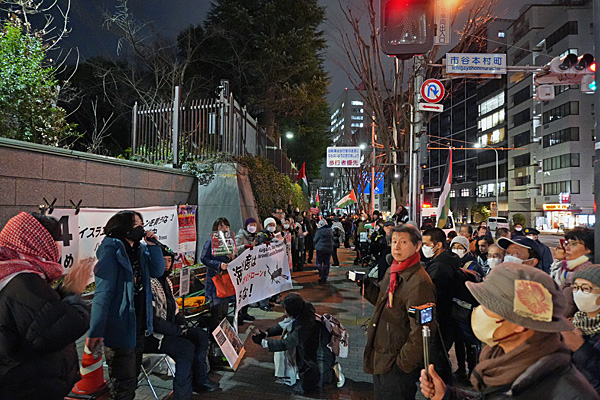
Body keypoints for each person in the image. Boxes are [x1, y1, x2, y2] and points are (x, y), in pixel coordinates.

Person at [419, 263, 600, 400]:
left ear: (519, 322)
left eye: (489, 307)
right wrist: (448, 395)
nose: (479, 311)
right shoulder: (501, 361)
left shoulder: (566, 391)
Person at [0, 212, 91, 400]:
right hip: (26, 386)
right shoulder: (22, 280)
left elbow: (39, 316)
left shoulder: (11, 269)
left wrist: (63, 291)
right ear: (36, 242)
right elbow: (60, 327)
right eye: (55, 242)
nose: (58, 248)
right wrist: (74, 293)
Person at [87, 210, 165, 400]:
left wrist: (153, 246)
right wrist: (95, 331)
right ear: (123, 228)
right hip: (120, 326)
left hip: (138, 323)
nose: (142, 228)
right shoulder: (111, 251)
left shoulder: (140, 250)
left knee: (132, 378)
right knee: (124, 383)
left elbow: (157, 270)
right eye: (137, 224)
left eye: (142, 224)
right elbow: (103, 293)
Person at [361, 224, 437, 400]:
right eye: (394, 241)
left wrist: (403, 364)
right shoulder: (394, 270)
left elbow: (423, 330)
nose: (396, 247)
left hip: (396, 364)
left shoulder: (419, 282)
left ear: (417, 246)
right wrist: (365, 286)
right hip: (382, 356)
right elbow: (384, 302)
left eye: (403, 242)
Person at [145, 248, 220, 399]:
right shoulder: (149, 284)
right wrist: (178, 330)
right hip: (153, 337)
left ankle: (200, 380)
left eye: (169, 260)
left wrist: (182, 325)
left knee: (200, 336)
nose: (166, 264)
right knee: (185, 348)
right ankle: (182, 394)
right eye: (162, 260)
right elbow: (153, 321)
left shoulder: (166, 281)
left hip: (170, 330)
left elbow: (174, 309)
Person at [251, 293, 341, 394]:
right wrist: (265, 333)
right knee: (302, 376)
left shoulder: (305, 324)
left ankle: (332, 372)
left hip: (320, 358)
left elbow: (286, 343)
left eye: (286, 310)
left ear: (292, 310)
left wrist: (262, 342)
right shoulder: (302, 311)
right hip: (309, 353)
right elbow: (283, 325)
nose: (285, 312)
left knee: (305, 388)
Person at [562, 266, 600, 395]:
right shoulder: (577, 321)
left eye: (585, 289)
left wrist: (579, 347)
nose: (578, 293)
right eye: (575, 288)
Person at [422, 228, 460, 349]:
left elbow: (432, 293)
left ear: (438, 245)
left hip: (441, 319)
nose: (424, 248)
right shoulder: (449, 260)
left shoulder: (439, 267)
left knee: (437, 353)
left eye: (426, 244)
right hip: (448, 318)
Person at [201, 217, 236, 332]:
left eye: (226, 226)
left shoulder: (230, 242)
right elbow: (204, 258)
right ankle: (214, 335)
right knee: (216, 310)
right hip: (214, 280)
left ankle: (224, 335)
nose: (224, 229)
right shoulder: (210, 242)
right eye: (221, 226)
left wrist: (232, 257)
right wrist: (219, 265)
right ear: (215, 228)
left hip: (226, 280)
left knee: (224, 309)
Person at [235, 218, 260, 322]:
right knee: (241, 290)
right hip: (241, 266)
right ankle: (238, 314)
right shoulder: (241, 235)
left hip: (249, 265)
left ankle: (244, 312)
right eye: (251, 224)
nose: (253, 227)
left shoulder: (254, 236)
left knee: (248, 289)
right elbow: (235, 248)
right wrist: (244, 247)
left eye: (254, 224)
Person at [313, 219, 334, 283]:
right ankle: (325, 276)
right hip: (329, 249)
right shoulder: (330, 230)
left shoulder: (319, 231)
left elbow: (315, 239)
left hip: (320, 249)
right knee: (326, 263)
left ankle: (321, 274)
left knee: (318, 263)